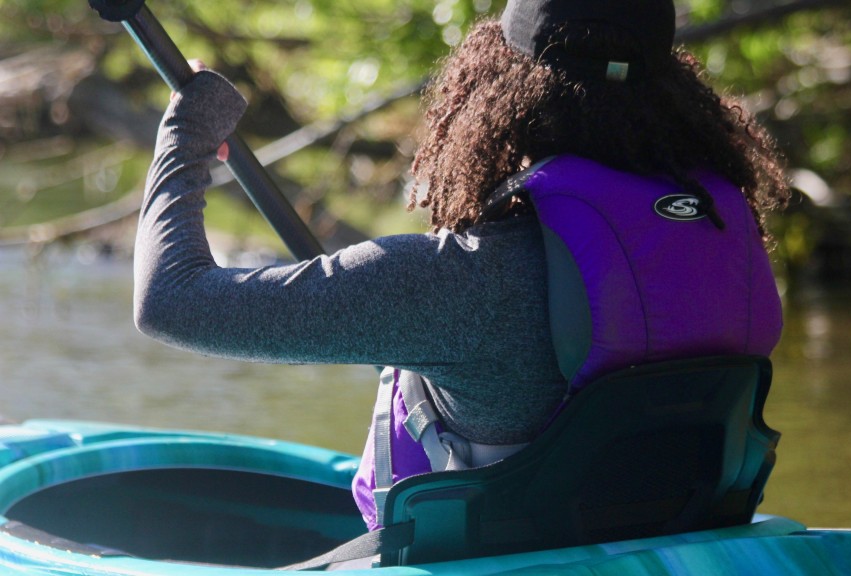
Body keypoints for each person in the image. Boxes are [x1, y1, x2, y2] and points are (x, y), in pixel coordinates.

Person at [133, 0, 790, 534]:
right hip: (652, 543)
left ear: (496, 84)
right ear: (676, 89)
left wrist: (186, 140)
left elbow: (171, 302)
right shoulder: (724, 243)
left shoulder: (453, 282)